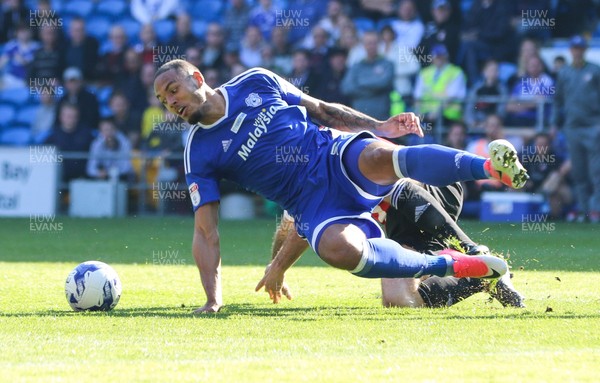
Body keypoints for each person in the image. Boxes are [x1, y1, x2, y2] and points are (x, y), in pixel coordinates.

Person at [153, 60, 529, 313]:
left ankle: (489, 168)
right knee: (344, 253)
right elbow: (206, 231)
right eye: (162, 100)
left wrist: (379, 125)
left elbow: (323, 109)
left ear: (197, 79)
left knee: (384, 156)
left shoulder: (256, 81)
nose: (170, 103)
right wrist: (212, 299)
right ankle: (460, 267)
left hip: (334, 156)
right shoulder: (198, 152)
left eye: (173, 90)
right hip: (312, 205)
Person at [267, 179, 525, 308]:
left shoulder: (325, 161)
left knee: (390, 184)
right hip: (402, 227)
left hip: (430, 188)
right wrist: (277, 267)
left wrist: (278, 266)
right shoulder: (303, 189)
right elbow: (292, 224)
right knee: (398, 300)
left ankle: (471, 248)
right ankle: (480, 275)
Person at [551, 35, 600, 223]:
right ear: (571, 50)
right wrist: (555, 124)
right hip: (572, 127)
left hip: (593, 125)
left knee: (596, 171)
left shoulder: (595, 71)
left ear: (584, 50)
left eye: (580, 48)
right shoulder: (564, 73)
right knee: (579, 171)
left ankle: (596, 210)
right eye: (575, 48)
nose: (577, 51)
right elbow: (558, 101)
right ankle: (584, 210)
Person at [341, 31, 394, 121]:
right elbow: (347, 88)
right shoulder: (356, 66)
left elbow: (383, 83)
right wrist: (374, 91)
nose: (371, 46)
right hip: (359, 119)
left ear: (379, 44)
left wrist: (360, 84)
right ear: (363, 45)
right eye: (369, 43)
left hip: (382, 119)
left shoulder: (387, 64)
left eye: (374, 43)